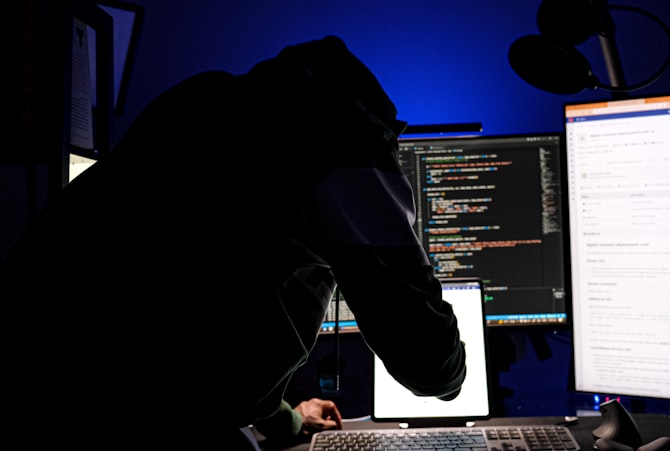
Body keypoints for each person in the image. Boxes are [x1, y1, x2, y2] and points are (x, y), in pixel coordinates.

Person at [1, 35, 465, 450]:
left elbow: (208, 325)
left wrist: (285, 419)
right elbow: (430, 366)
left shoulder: (202, 105)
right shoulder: (341, 137)